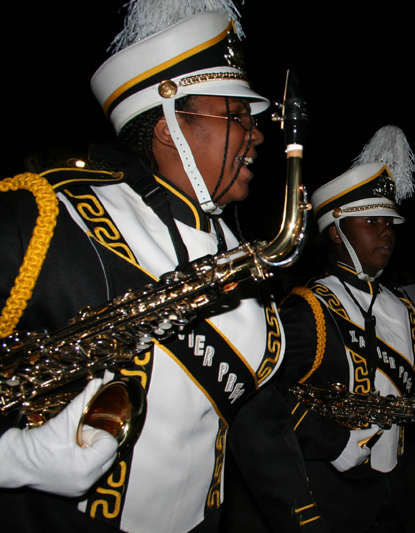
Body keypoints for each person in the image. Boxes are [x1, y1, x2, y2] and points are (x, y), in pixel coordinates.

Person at [0, 5, 320, 532]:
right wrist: (12, 457)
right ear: (171, 125)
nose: (257, 135)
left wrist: (304, 521)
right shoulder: (50, 215)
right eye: (237, 116)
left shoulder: (241, 252)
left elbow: (255, 420)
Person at [274, 126, 415, 533]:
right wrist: (332, 443)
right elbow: (272, 400)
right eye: (371, 220)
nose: (387, 230)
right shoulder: (307, 306)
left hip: (392, 485)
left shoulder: (403, 305)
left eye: (389, 221)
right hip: (327, 490)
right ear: (336, 232)